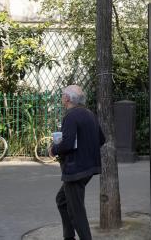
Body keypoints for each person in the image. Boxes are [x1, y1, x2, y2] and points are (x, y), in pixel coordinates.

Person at [51, 85, 105, 240]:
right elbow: (101, 139)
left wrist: (53, 149)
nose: (62, 98)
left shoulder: (71, 116)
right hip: (88, 168)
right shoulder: (89, 114)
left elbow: (67, 144)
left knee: (76, 211)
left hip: (75, 171)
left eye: (62, 95)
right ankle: (68, 236)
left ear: (67, 98)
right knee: (62, 200)